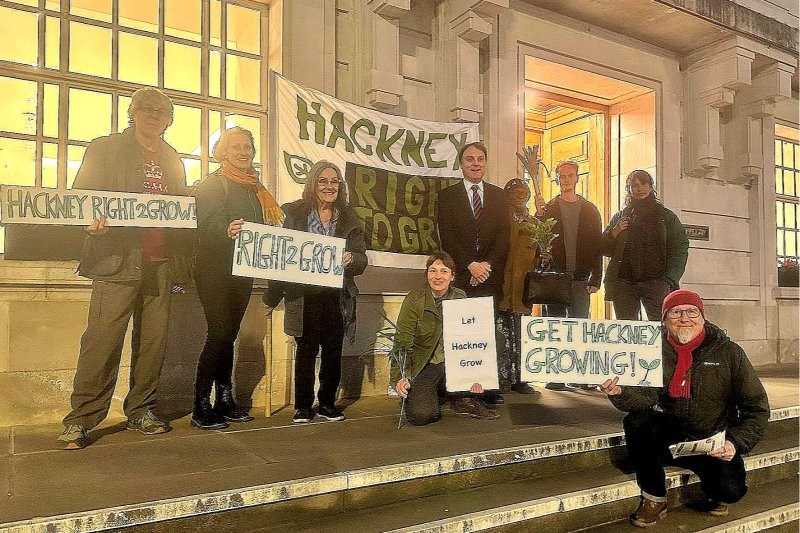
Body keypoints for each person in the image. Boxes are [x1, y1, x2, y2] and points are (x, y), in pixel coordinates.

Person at [59, 88, 190, 450]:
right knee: (101, 341)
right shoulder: (105, 148)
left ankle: (141, 411)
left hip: (161, 262)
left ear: (169, 119)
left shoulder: (172, 158)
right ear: (132, 112)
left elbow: (180, 206)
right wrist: (91, 224)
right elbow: (82, 197)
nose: (153, 115)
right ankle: (81, 419)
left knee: (153, 342)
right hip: (116, 259)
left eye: (161, 111)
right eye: (146, 108)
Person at [599, 289, 769, 528]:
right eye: (676, 312)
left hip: (711, 440)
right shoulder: (651, 350)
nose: (684, 318)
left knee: (730, 490)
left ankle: (715, 491)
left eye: (692, 312)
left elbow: (757, 408)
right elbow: (643, 400)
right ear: (664, 320)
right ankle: (654, 498)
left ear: (702, 318)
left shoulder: (729, 353)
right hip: (668, 436)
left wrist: (734, 442)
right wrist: (620, 392)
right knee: (637, 422)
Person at [191, 127, 284, 430]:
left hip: (241, 271)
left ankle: (225, 399)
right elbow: (206, 223)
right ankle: (200, 405)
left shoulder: (256, 188)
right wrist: (226, 229)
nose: (243, 152)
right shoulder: (213, 184)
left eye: (247, 147)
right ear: (223, 151)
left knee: (229, 334)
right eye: (236, 147)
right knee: (219, 333)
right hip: (214, 270)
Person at [262, 161, 367, 424]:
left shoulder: (350, 218)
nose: (329, 186)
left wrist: (351, 259)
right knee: (306, 349)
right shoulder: (294, 214)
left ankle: (328, 404)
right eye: (323, 181)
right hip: (303, 294)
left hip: (336, 295)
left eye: (334, 182)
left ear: (340, 187)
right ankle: (302, 406)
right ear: (313, 183)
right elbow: (281, 257)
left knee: (332, 349)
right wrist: (271, 297)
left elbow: (362, 260)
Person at [437, 141, 510, 405]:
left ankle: (487, 388)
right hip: (462, 276)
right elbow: (447, 236)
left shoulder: (499, 196)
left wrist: (486, 266)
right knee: (462, 334)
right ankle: (461, 389)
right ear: (461, 164)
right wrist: (469, 264)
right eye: (470, 159)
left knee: (486, 333)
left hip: (490, 276)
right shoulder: (447, 197)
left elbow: (504, 236)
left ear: (486, 163)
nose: (475, 163)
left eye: (480, 159)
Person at [391, 251, 499, 425]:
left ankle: (462, 397)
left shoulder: (459, 297)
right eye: (433, 271)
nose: (438, 276)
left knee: (497, 339)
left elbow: (471, 339)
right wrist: (401, 377)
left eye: (444, 271)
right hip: (427, 365)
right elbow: (402, 342)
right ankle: (435, 394)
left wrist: (477, 373)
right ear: (427, 275)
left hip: (454, 363)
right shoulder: (415, 300)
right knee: (421, 416)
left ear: (452, 276)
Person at [533, 160, 603, 391]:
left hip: (581, 278)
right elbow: (537, 238)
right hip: (555, 278)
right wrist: (537, 214)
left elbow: (597, 246)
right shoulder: (549, 208)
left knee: (579, 327)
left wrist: (596, 277)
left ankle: (577, 375)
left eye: (570, 175)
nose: (566, 180)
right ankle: (555, 376)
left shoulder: (590, 210)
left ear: (577, 178)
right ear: (557, 180)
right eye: (562, 176)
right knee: (555, 327)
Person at [601, 169, 689, 321]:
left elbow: (680, 246)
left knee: (661, 327)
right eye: (635, 185)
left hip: (656, 282)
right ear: (629, 189)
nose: (640, 188)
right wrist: (615, 231)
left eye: (644, 184)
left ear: (650, 186)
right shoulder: (620, 217)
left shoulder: (665, 216)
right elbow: (604, 249)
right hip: (624, 283)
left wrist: (669, 279)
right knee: (627, 329)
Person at [497, 178, 539, 395]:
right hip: (502, 287)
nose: (519, 197)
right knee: (502, 336)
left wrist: (544, 257)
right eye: (514, 193)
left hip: (524, 289)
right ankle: (501, 378)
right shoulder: (499, 220)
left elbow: (540, 256)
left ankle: (521, 379)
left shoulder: (535, 225)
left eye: (523, 193)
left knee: (523, 335)